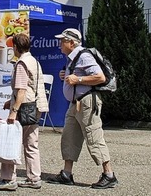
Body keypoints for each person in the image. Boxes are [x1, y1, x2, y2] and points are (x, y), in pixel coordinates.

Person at [47, 28, 118, 189]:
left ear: (72, 43)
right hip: (76, 103)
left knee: (94, 137)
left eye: (62, 40)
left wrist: (77, 78)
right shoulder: (72, 58)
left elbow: (100, 77)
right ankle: (67, 174)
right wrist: (67, 76)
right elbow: (75, 77)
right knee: (69, 137)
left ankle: (109, 174)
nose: (60, 44)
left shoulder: (83, 56)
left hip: (86, 102)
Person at [0, 33, 48, 191]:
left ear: (16, 47)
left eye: (12, 46)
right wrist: (11, 101)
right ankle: (34, 178)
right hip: (34, 106)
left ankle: (9, 179)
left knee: (10, 141)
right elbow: (31, 86)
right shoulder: (33, 61)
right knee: (31, 144)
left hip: (23, 108)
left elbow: (22, 90)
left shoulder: (22, 63)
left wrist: (13, 111)